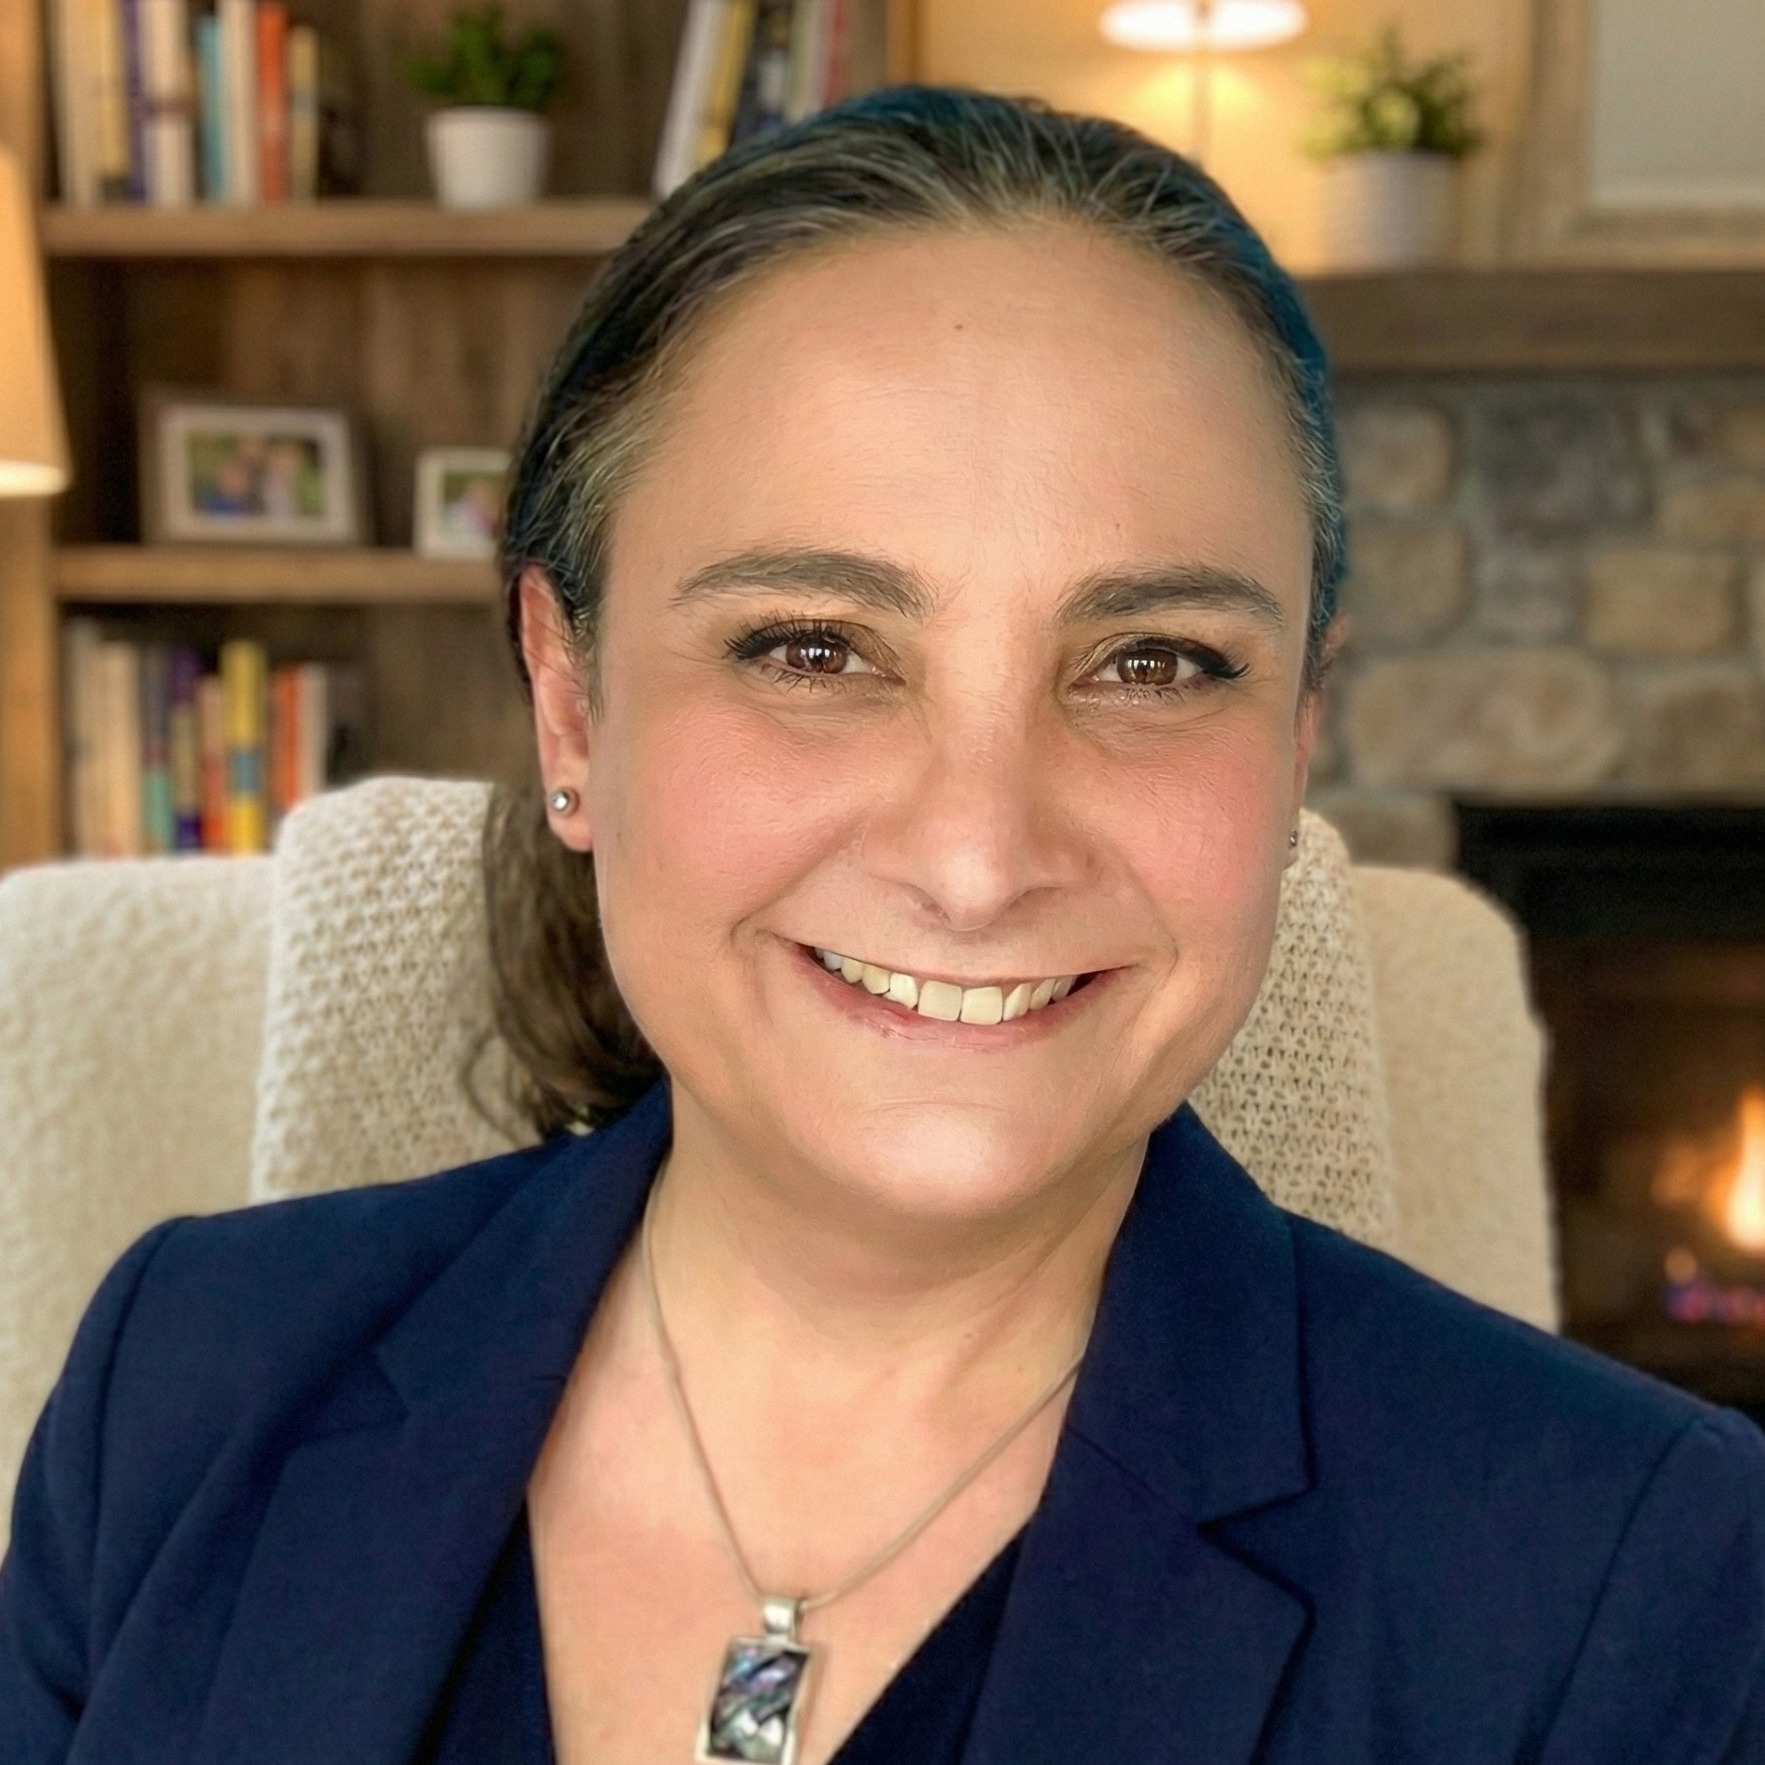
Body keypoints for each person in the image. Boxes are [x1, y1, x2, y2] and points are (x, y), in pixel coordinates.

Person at [3, 86, 1763, 1765]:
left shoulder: (1633, 1572)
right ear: (570, 705)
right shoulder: (182, 1380)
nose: (979, 852)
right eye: (812, 649)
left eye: (1153, 663)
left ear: (1296, 730)